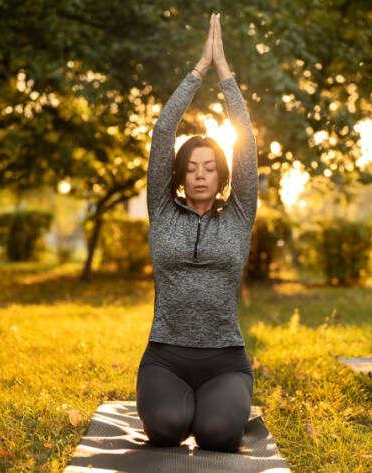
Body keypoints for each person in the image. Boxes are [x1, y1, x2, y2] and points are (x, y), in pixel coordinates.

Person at [137, 13, 258, 452]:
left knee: (218, 435)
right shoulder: (162, 210)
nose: (200, 174)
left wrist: (225, 72)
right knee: (167, 428)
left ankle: (217, 404)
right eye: (191, 167)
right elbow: (162, 132)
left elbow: (246, 139)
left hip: (225, 359)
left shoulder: (239, 213)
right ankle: (178, 402)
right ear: (181, 176)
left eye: (209, 167)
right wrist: (197, 71)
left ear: (221, 173)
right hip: (165, 356)